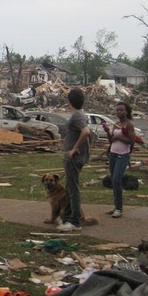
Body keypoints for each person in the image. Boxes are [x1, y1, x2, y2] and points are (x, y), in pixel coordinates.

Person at [57, 87, 91, 232]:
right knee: (70, 188)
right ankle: (68, 217)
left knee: (73, 189)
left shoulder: (77, 115)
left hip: (73, 158)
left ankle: (75, 222)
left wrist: (74, 149)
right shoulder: (81, 114)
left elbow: (86, 132)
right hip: (75, 156)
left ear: (70, 100)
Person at [102, 102, 136, 219]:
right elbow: (112, 140)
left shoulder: (129, 125)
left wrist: (120, 136)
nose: (119, 112)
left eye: (121, 110)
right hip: (113, 154)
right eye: (117, 110)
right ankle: (116, 205)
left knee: (117, 179)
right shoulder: (116, 124)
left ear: (126, 112)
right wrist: (107, 131)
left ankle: (119, 208)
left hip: (123, 155)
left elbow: (131, 141)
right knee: (113, 179)